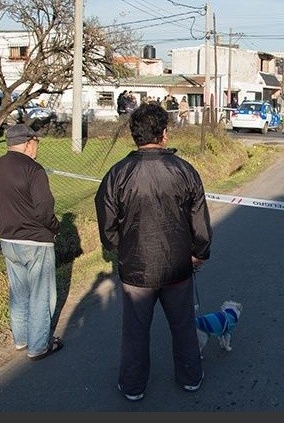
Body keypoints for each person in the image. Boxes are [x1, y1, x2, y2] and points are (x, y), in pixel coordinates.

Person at [94, 102, 213, 401]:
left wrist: (121, 248)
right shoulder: (184, 171)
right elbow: (200, 221)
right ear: (163, 134)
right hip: (177, 267)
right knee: (183, 324)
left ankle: (133, 386)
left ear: (136, 135)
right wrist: (200, 252)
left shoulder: (117, 174)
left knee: (135, 331)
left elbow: (107, 226)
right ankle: (190, 376)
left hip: (137, 268)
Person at [0, 124, 63, 361]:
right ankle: (38, 346)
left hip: (8, 239)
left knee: (18, 291)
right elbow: (44, 209)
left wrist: (7, 222)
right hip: (37, 241)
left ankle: (21, 339)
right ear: (29, 143)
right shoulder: (34, 170)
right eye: (36, 142)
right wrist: (54, 228)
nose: (37, 148)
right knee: (41, 294)